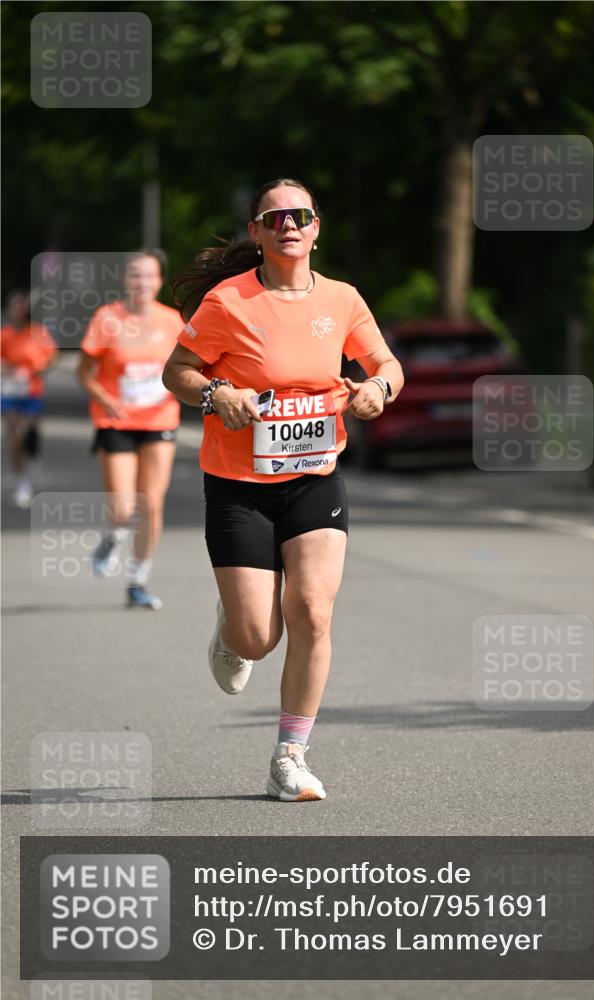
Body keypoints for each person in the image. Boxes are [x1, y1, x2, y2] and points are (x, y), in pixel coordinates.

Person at [163, 178, 404, 801]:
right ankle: (232, 627)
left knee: (313, 612)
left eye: (300, 216)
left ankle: (289, 756)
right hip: (238, 484)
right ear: (258, 232)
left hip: (315, 477)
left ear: (316, 227)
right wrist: (219, 394)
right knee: (257, 638)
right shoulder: (227, 302)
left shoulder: (344, 299)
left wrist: (378, 390)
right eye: (275, 219)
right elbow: (178, 372)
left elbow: (385, 365)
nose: (288, 226)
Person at [77, 250, 182, 609]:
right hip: (116, 420)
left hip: (159, 420)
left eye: (149, 276)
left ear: (159, 281)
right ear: (125, 280)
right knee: (123, 508)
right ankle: (113, 534)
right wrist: (103, 397)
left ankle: (138, 581)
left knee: (151, 504)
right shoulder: (107, 319)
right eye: (135, 276)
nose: (142, 283)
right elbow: (83, 372)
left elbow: (187, 369)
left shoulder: (173, 322)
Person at [1, 290, 58, 508]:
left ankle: (33, 462)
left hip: (32, 391)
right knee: (14, 435)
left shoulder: (38, 333)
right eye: (15, 306)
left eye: (22, 306)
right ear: (9, 310)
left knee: (30, 434)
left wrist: (37, 368)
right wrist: (8, 369)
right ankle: (22, 481)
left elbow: (52, 357)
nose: (18, 310)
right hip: (10, 391)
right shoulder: (4, 335)